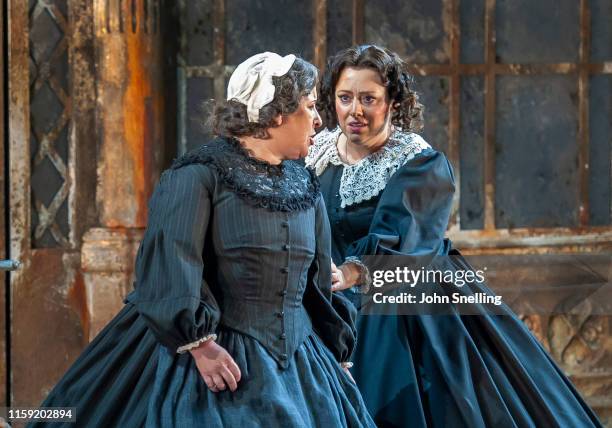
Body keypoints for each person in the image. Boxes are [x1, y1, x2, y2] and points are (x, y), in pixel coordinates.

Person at [30, 52, 375, 428]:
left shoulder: (303, 182)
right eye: (310, 107)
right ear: (277, 113)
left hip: (301, 360)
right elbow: (171, 261)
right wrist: (200, 345)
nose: (319, 120)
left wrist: (335, 355)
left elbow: (316, 284)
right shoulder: (199, 176)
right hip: (216, 354)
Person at [306, 44, 603, 428]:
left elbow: (406, 237)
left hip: (405, 297)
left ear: (393, 102)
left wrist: (351, 272)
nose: (355, 110)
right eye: (345, 98)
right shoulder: (316, 153)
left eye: (369, 98)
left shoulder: (417, 161)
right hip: (327, 299)